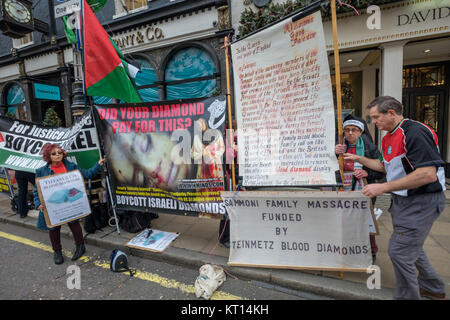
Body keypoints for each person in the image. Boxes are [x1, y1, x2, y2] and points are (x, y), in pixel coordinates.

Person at [343, 96, 446, 300]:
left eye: (376, 117)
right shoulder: (388, 136)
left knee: (399, 252)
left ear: (391, 113)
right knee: (409, 247)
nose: (373, 123)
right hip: (403, 201)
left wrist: (383, 187)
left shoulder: (415, 132)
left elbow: (427, 174)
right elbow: (384, 166)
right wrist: (359, 158)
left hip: (422, 201)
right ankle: (433, 287)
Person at [34, 143, 106, 265]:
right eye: (54, 154)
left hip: (70, 202)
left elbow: (87, 174)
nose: (57, 155)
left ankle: (80, 246)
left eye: (59, 153)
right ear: (48, 156)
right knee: (54, 228)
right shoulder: (41, 171)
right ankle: (57, 251)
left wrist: (98, 165)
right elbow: (37, 190)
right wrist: (37, 203)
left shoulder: (71, 166)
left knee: (74, 224)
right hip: (53, 205)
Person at [335, 114, 385, 263]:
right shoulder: (338, 145)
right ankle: (346, 250)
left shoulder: (370, 147)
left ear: (361, 132)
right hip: (343, 190)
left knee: (366, 221)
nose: (350, 133)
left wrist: (367, 172)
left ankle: (371, 251)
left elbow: (383, 171)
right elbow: (327, 167)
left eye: (354, 130)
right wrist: (334, 154)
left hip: (364, 190)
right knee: (343, 222)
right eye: (347, 130)